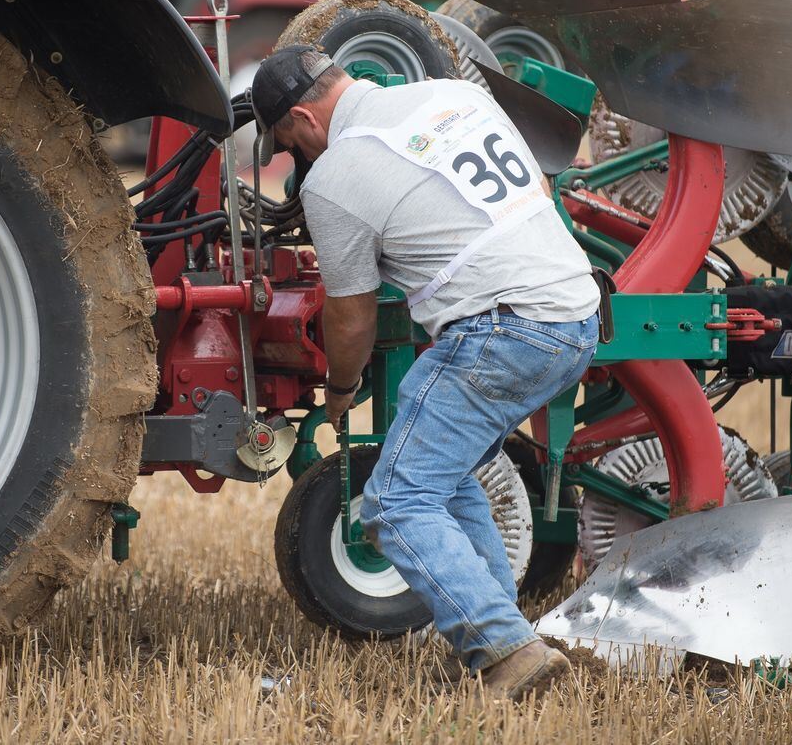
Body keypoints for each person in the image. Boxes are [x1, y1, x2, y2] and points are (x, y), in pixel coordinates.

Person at [251, 44, 600, 701]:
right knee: (444, 478)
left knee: (396, 504)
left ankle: (505, 651)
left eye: (289, 140)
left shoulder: (336, 179)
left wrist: (342, 389)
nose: (295, 155)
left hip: (502, 332)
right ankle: (506, 638)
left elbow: (351, 319)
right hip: (574, 315)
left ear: (303, 116)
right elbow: (538, 189)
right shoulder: (453, 96)